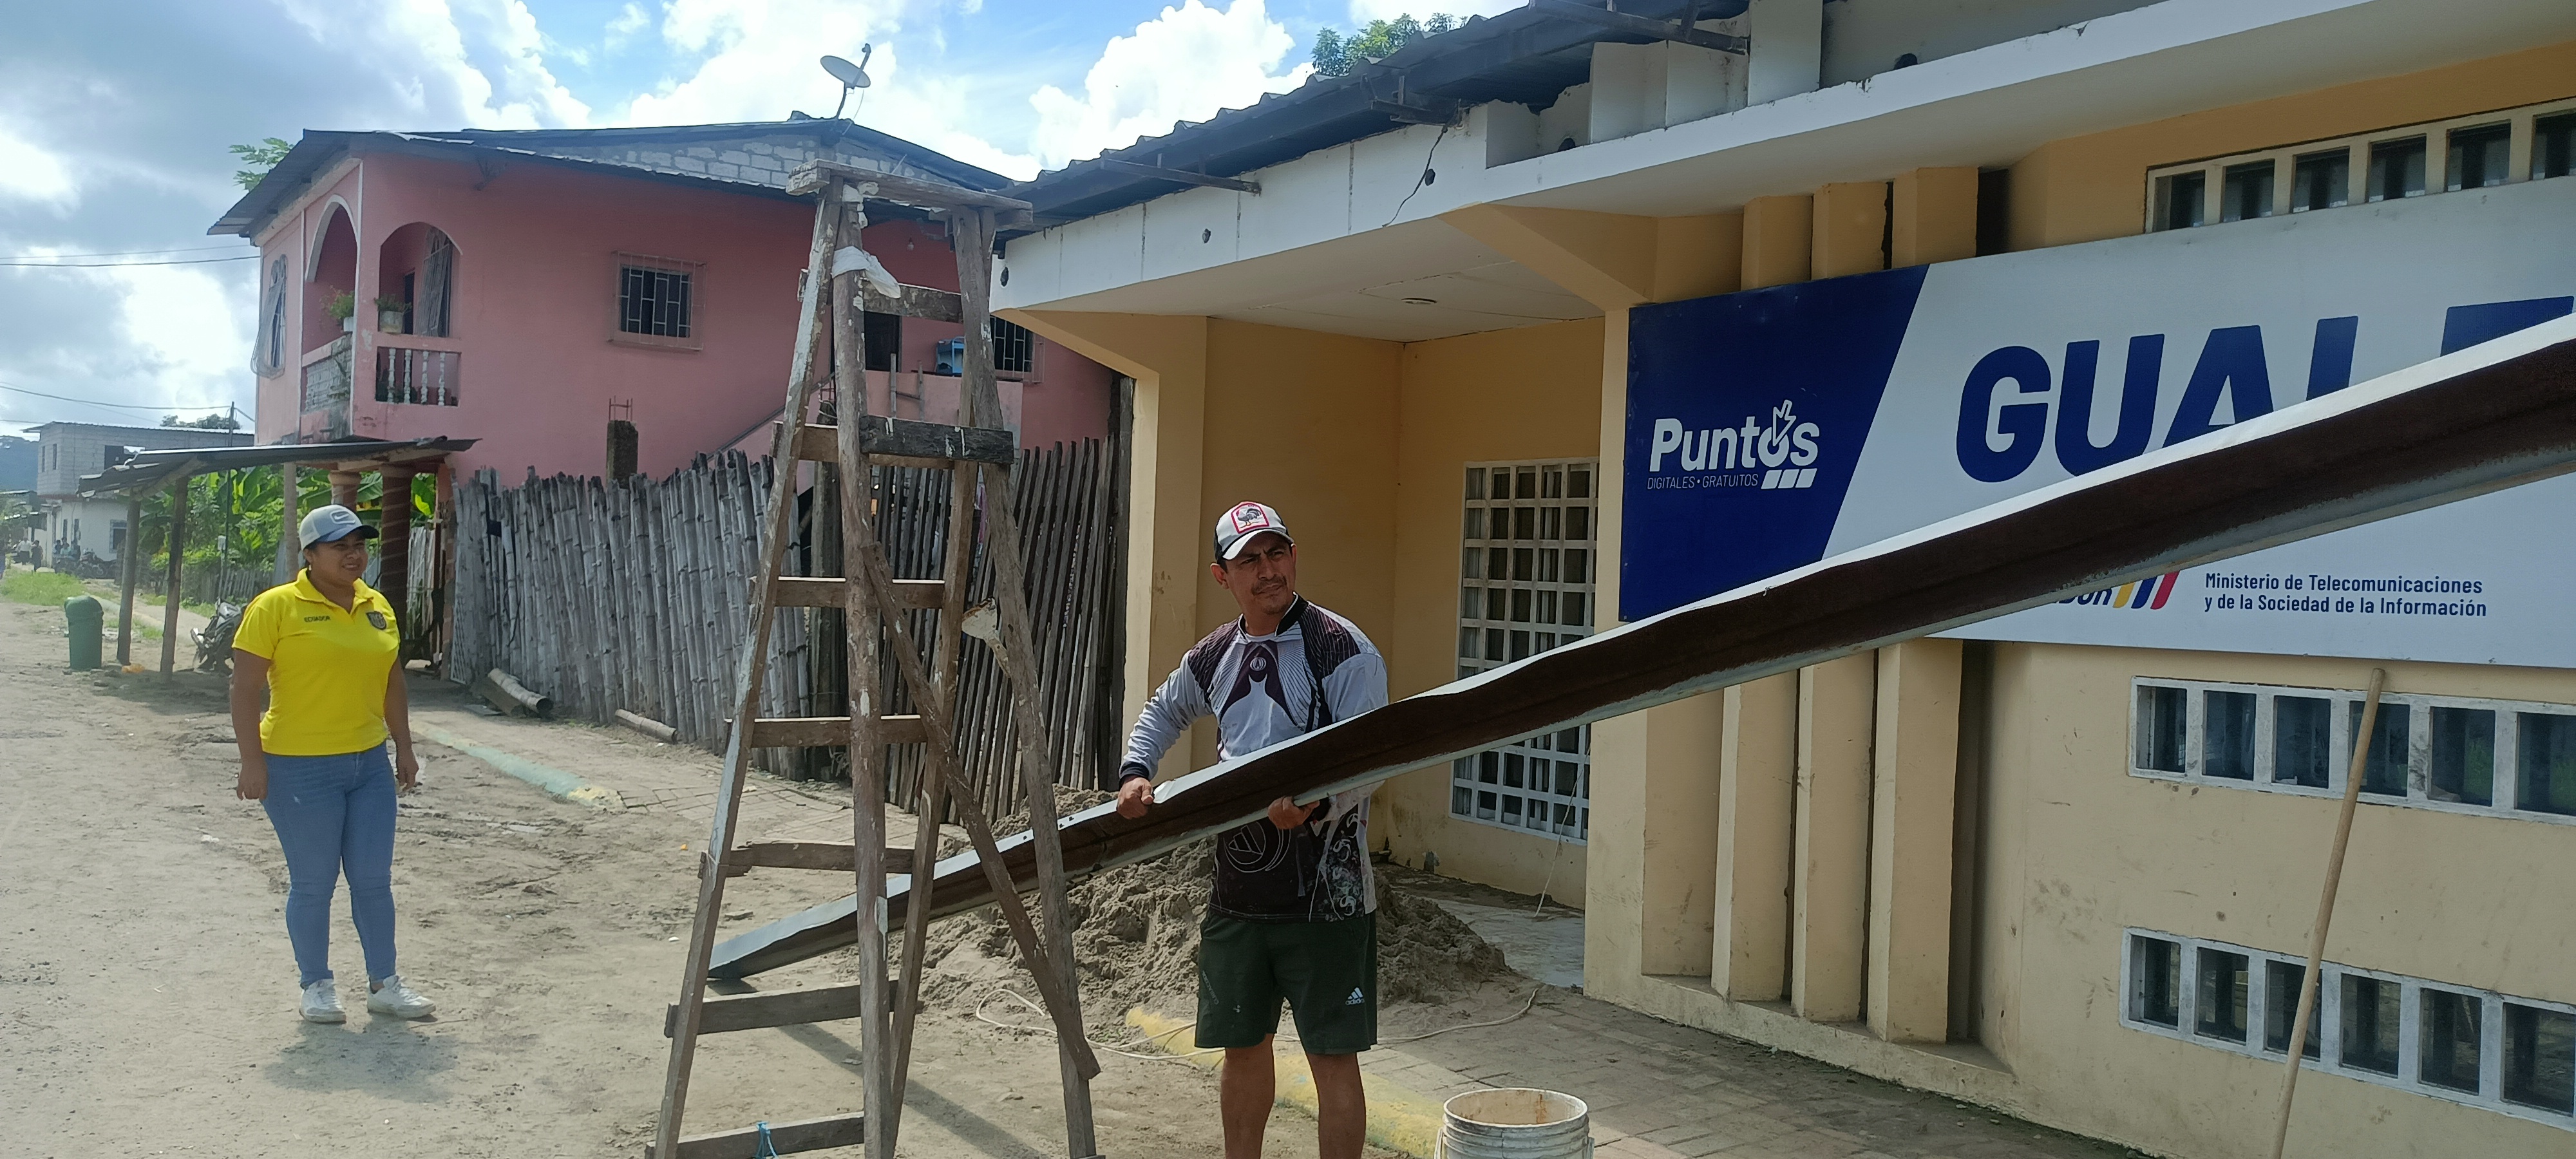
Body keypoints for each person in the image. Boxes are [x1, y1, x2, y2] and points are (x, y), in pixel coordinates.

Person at [1116, 500, 1388, 1159]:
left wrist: (1318, 805)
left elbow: (1373, 759)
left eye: (1277, 553)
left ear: (1293, 557)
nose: (1268, 571)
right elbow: (1162, 711)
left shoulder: (1341, 649)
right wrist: (1136, 772)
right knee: (1242, 1049)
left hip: (1328, 900)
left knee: (1332, 1057)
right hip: (1238, 898)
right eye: (1250, 561)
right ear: (1223, 576)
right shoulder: (1215, 655)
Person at [230, 504, 435, 1024]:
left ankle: (385, 984)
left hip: (367, 765)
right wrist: (252, 761)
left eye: (359, 545)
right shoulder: (276, 607)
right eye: (339, 546)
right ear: (310, 554)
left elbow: (391, 679)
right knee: (314, 882)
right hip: (297, 767)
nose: (353, 555)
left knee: (373, 880)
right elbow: (244, 688)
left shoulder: (376, 605)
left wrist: (404, 747)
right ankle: (317, 986)